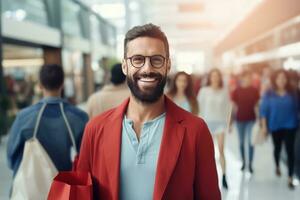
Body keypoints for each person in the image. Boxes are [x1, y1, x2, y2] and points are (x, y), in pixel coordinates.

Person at [77, 23, 221, 200]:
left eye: (156, 60)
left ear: (167, 65)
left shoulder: (195, 130)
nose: (147, 69)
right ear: (124, 66)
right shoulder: (95, 129)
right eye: (137, 59)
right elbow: (82, 195)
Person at [7, 64, 89, 177]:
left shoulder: (24, 117)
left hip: (33, 186)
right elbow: (86, 158)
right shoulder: (80, 117)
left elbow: (11, 155)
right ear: (62, 84)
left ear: (40, 85)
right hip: (66, 188)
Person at [260, 69, 298, 189]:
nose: (282, 80)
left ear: (287, 80)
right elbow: (263, 111)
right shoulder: (269, 93)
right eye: (279, 78)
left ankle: (290, 177)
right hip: (275, 125)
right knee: (277, 148)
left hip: (291, 125)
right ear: (275, 80)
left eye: (284, 78)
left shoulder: (293, 92)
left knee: (290, 151)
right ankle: (277, 165)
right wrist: (264, 127)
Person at [197, 68, 231, 189]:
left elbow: (228, 108)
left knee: (221, 150)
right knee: (208, 153)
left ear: (219, 77)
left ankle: (224, 176)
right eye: (213, 76)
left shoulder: (224, 91)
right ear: (210, 77)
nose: (215, 78)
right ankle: (208, 178)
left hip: (220, 124)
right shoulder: (204, 91)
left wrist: (229, 123)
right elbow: (198, 108)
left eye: (217, 76)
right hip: (207, 124)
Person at [231, 70, 260, 173]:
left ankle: (250, 163)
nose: (248, 79)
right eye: (246, 77)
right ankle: (243, 162)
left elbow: (256, 106)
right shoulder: (236, 91)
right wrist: (230, 121)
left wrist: (259, 120)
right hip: (239, 119)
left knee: (250, 142)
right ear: (242, 78)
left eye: (249, 77)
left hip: (251, 119)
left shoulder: (254, 90)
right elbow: (233, 107)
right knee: (241, 142)